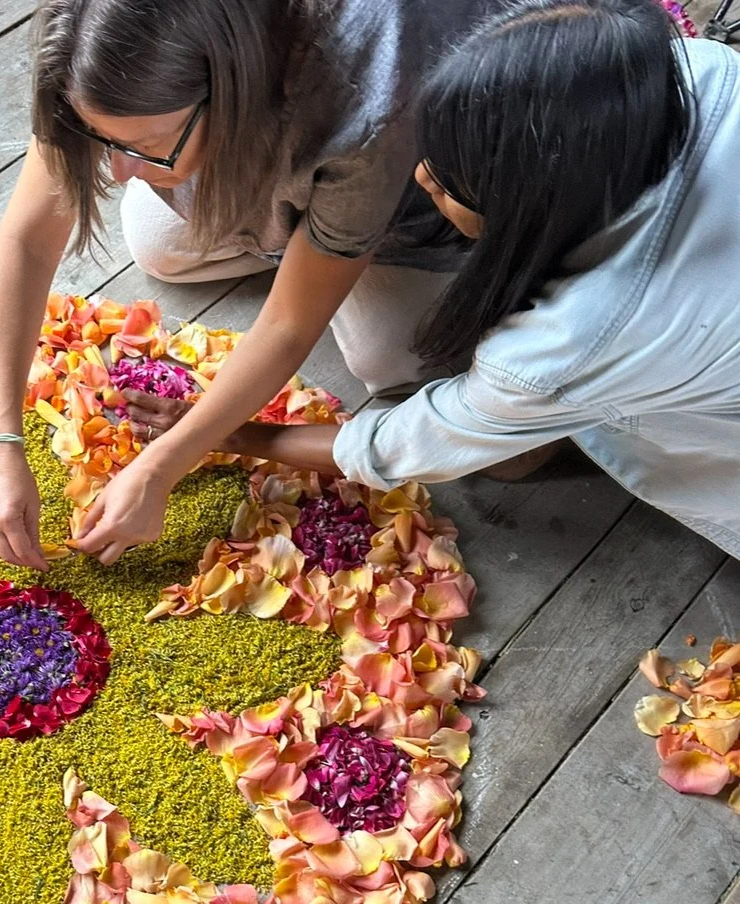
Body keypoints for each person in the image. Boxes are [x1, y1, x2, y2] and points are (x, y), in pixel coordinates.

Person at [125, 0, 740, 561]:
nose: (421, 180)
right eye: (429, 153)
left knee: (507, 459)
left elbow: (395, 447)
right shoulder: (705, 70)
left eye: (449, 184)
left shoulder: (565, 345)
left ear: (530, 212)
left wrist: (238, 434)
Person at [0, 0, 519, 569]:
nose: (116, 173)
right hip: (270, 164)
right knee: (154, 243)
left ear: (230, 93)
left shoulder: (367, 107)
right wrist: (1, 438)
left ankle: (326, 251)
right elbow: (29, 240)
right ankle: (301, 243)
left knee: (387, 358)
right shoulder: (96, 56)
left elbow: (287, 326)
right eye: (101, 138)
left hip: (417, 207)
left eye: (143, 146)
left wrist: (161, 466)